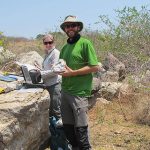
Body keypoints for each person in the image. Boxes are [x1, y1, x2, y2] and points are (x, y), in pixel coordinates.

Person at [59, 15, 99, 150]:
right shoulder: (64, 48)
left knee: (81, 131)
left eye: (72, 25)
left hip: (79, 93)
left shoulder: (85, 43)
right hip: (65, 91)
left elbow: (94, 67)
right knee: (69, 129)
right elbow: (61, 67)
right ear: (65, 29)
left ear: (78, 27)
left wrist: (72, 73)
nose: (70, 28)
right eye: (67, 26)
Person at [38, 34, 62, 127]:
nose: (48, 44)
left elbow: (55, 71)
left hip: (55, 84)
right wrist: (40, 69)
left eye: (50, 42)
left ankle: (63, 137)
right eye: (46, 43)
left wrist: (41, 73)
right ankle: (54, 135)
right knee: (51, 111)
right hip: (48, 84)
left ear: (54, 42)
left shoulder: (55, 53)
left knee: (57, 110)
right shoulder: (47, 53)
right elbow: (48, 68)